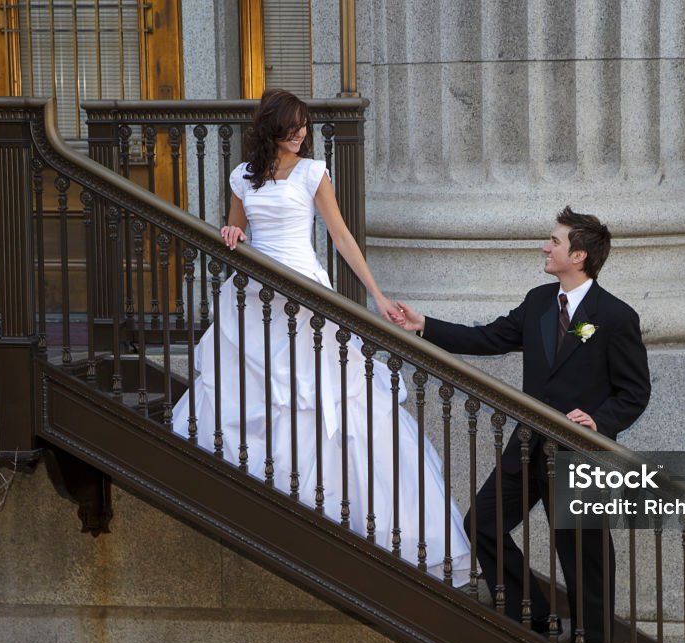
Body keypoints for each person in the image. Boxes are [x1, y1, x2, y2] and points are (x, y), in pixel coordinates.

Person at [171, 89, 470, 584]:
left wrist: (375, 294)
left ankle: (343, 515)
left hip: (305, 292)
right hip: (255, 295)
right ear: (271, 127)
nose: (301, 134)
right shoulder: (243, 177)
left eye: (305, 126)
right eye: (292, 126)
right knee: (255, 393)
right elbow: (235, 228)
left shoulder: (313, 172)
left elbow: (341, 236)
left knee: (330, 399)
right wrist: (231, 234)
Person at [397, 207, 651, 643]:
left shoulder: (614, 316)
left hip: (577, 455)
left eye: (553, 242)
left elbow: (635, 392)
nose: (544, 247)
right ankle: (529, 611)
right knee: (481, 523)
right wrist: (425, 325)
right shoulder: (538, 301)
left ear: (579, 255)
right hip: (528, 445)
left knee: (583, 553)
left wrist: (599, 419)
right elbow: (490, 337)